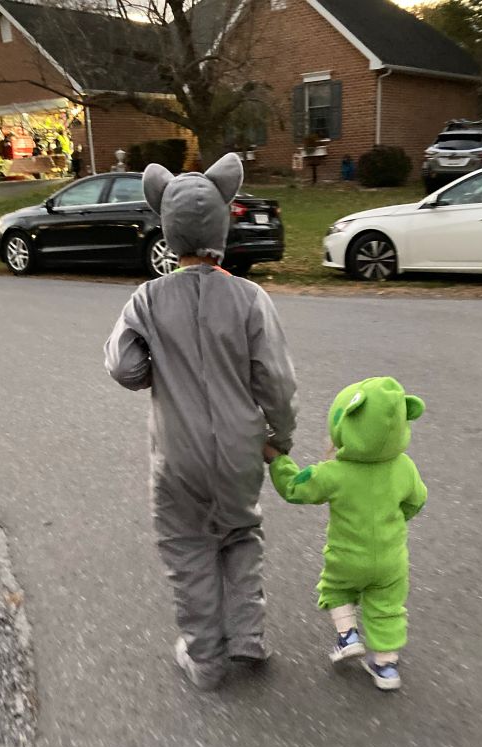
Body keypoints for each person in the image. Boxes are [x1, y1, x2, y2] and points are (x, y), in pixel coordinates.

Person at [104, 153, 297, 691]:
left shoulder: (146, 300)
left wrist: (151, 370)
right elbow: (276, 380)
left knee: (187, 545)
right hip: (239, 449)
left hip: (177, 455)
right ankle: (248, 634)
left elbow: (122, 365)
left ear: (166, 228)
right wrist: (278, 437)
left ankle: (206, 658)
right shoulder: (250, 299)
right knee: (240, 533)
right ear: (222, 225)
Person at [264, 377, 427, 691]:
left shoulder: (334, 473)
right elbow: (417, 499)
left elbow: (295, 487)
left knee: (336, 590)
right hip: (392, 559)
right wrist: (397, 520)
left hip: (347, 557)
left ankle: (348, 636)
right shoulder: (404, 467)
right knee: (387, 606)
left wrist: (276, 459)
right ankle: (386, 666)